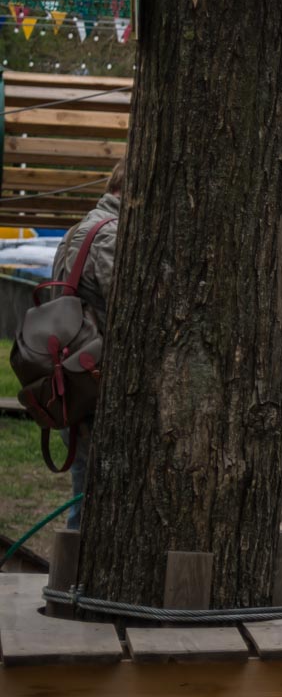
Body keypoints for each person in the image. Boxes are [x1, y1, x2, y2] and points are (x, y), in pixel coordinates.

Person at [50, 160, 124, 529]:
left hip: (71, 377)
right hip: (95, 378)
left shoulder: (76, 229)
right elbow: (128, 308)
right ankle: (77, 582)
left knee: (84, 488)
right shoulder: (111, 235)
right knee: (95, 503)